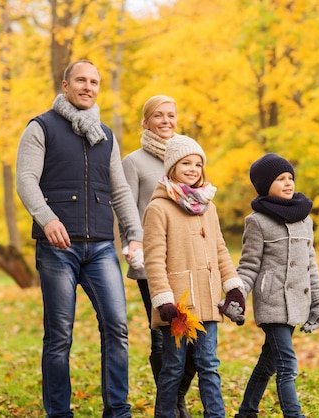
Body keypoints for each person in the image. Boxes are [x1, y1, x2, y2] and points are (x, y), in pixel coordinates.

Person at [15, 59, 142, 418]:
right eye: (81, 80)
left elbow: (119, 191)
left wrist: (134, 236)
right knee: (59, 336)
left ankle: (117, 411)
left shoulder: (106, 135)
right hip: (58, 249)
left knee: (116, 328)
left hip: (102, 247)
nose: (89, 86)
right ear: (65, 84)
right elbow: (26, 180)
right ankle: (59, 413)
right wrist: (47, 218)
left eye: (95, 82)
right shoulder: (41, 127)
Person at [142, 135, 245, 418]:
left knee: (208, 364)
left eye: (198, 164)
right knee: (174, 367)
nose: (193, 168)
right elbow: (153, 260)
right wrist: (164, 300)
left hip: (209, 302)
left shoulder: (208, 207)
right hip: (178, 307)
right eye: (186, 162)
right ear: (172, 166)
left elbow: (221, 249)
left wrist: (232, 286)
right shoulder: (158, 208)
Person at [233, 153, 319, 418]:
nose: (288, 183)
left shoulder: (305, 219)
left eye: (290, 178)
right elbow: (248, 265)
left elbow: (311, 264)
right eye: (280, 179)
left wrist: (318, 301)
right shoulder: (257, 221)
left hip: (298, 302)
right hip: (272, 302)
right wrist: (237, 294)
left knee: (269, 363)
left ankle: (246, 411)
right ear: (265, 186)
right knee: (287, 364)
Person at [120, 95, 196, 417]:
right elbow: (124, 211)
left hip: (186, 261)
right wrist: (129, 248)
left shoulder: (188, 157)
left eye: (171, 115)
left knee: (193, 342)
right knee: (164, 338)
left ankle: (175, 395)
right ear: (145, 121)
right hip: (150, 263)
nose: (166, 121)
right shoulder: (134, 162)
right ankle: (172, 406)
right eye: (158, 116)